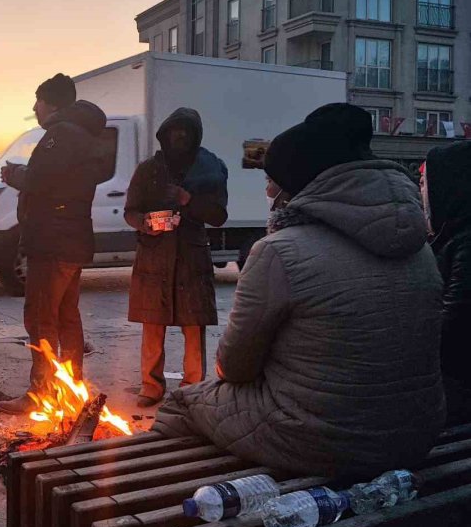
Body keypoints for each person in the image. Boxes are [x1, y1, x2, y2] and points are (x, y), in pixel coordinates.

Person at [152, 104, 445, 476]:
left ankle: (158, 505)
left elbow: (235, 368)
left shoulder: (279, 251)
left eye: (275, 183)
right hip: (417, 434)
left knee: (183, 402)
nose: (270, 192)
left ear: (299, 187)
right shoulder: (421, 248)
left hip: (324, 441)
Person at [0, 74, 107, 414]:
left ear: (52, 103)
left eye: (38, 100)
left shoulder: (60, 135)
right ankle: (71, 388)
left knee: (42, 317)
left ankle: (40, 393)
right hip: (72, 240)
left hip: (52, 241)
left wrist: (12, 174)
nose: (34, 107)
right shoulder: (85, 136)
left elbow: (40, 181)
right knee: (67, 316)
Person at [124, 109, 228, 407]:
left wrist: (189, 200)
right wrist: (144, 223)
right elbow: (131, 210)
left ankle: (192, 389)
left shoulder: (210, 169)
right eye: (175, 130)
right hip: (154, 258)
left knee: (194, 326)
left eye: (186, 131)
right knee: (152, 324)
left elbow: (219, 215)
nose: (179, 136)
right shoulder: (148, 170)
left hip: (191, 258)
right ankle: (151, 386)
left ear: (194, 136)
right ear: (166, 133)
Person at [422, 142, 471, 424]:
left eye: (425, 182)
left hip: (458, 398)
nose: (422, 192)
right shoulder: (453, 236)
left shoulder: (464, 242)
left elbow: (453, 329)